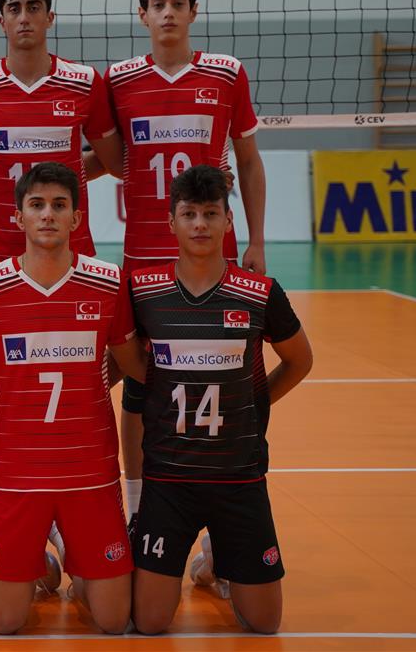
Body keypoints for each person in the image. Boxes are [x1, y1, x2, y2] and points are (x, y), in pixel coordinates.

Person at [0, 0, 123, 567]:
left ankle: (73, 512)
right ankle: (7, 526)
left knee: (84, 376)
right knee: (0, 389)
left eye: (34, 7)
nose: (24, 17)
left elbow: (114, 160)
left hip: (73, 258)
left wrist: (58, 188)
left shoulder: (84, 83)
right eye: (14, 8)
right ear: (1, 20)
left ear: (49, 17)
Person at [0, 162, 141, 635]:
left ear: (76, 218)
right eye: (36, 205)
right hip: (18, 478)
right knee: (6, 622)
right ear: (18, 217)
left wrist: (91, 377)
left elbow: (132, 364)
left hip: (90, 474)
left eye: (59, 205)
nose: (48, 214)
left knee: (114, 620)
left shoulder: (107, 282)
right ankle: (44, 563)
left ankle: (71, 557)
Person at [102, 0, 268, 532]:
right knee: (137, 385)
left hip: (212, 256)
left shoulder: (225, 73)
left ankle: (226, 517)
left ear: (194, 11)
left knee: (225, 381)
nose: (168, 12)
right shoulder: (119, 80)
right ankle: (136, 509)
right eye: (158, 4)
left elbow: (248, 161)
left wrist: (257, 240)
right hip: (143, 258)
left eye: (178, 2)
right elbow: (107, 159)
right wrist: (43, 180)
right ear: (142, 14)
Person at [118, 164, 311, 635]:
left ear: (228, 220)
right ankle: (207, 556)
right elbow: (126, 365)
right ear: (172, 222)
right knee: (149, 623)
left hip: (239, 479)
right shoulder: (143, 291)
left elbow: (300, 360)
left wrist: (256, 402)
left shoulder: (260, 294)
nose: (200, 224)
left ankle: (214, 561)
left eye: (210, 213)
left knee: (264, 624)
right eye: (189, 214)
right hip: (169, 481)